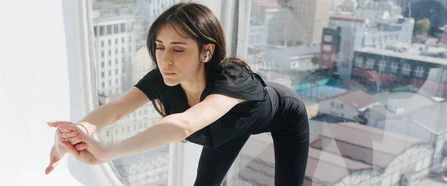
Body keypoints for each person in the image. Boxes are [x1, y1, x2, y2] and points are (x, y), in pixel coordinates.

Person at [45, 2, 309, 186]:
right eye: (160, 47)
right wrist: (77, 131)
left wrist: (108, 151)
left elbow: (184, 124)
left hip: (285, 115)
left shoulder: (232, 77)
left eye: (178, 49)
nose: (165, 60)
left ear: (206, 51)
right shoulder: (163, 78)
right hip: (227, 128)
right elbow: (116, 109)